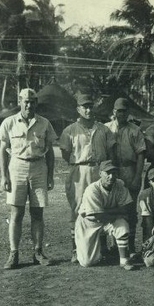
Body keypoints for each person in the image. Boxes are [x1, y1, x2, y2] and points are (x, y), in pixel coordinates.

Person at [0, 88, 57, 269]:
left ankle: (38, 252)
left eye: (33, 101)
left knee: (38, 213)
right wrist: (4, 176)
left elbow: (51, 151)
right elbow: (2, 151)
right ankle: (13, 254)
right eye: (26, 101)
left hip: (39, 167)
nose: (29, 105)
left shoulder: (44, 123)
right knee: (16, 213)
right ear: (20, 102)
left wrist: (51, 175)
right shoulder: (9, 122)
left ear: (36, 103)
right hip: (17, 167)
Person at [59, 94, 116, 264]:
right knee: (77, 208)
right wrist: (78, 162)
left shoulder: (104, 129)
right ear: (78, 109)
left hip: (100, 169)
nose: (89, 110)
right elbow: (65, 152)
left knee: (101, 205)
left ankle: (103, 246)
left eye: (91, 106)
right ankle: (76, 249)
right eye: (85, 107)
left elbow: (111, 151)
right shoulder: (70, 130)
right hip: (80, 168)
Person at [74, 160, 136, 270]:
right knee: (87, 262)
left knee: (122, 225)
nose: (111, 176)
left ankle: (124, 260)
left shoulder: (120, 184)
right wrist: (117, 211)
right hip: (89, 222)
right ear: (100, 174)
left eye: (114, 173)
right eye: (107, 173)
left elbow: (127, 207)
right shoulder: (92, 189)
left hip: (108, 219)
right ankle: (100, 249)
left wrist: (105, 211)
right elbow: (97, 216)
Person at [106, 97, 146, 254]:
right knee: (112, 208)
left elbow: (141, 155)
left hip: (129, 170)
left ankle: (129, 244)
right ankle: (114, 245)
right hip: (112, 172)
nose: (121, 114)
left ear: (128, 113)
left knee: (130, 209)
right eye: (118, 111)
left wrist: (137, 177)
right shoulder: (107, 128)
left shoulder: (134, 130)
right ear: (113, 112)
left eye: (124, 111)